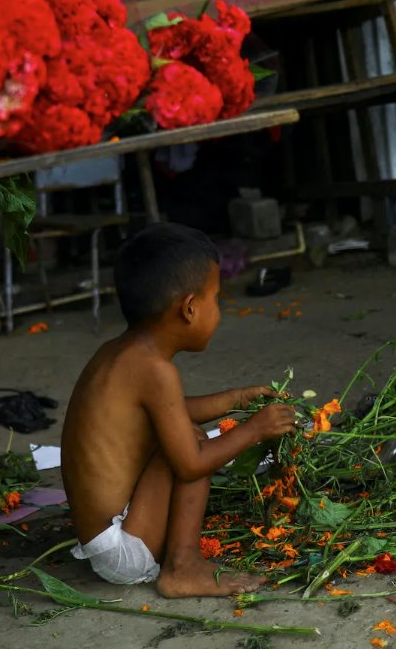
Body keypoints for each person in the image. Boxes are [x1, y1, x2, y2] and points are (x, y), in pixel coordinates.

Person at [61, 222, 297, 597]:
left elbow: (162, 412)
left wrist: (235, 400)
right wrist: (255, 429)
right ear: (189, 308)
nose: (218, 309)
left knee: (180, 434)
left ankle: (178, 560)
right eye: (216, 298)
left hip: (104, 537)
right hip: (123, 550)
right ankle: (182, 567)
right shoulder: (156, 370)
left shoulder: (120, 353)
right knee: (192, 444)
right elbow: (190, 464)